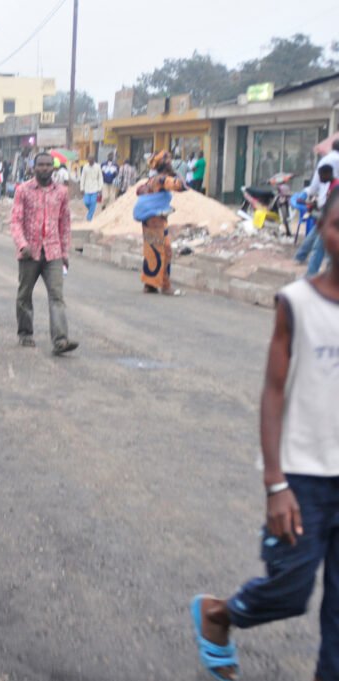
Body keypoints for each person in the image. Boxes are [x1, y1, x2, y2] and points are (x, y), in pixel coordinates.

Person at [190, 188, 339, 681]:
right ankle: (219, 614)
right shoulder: (296, 303)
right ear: (320, 229)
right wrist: (275, 483)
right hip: (303, 479)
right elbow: (274, 392)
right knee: (290, 591)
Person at [9, 152, 79, 355]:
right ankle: (25, 333)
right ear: (34, 167)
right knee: (24, 295)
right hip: (29, 253)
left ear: (54, 168)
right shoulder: (23, 190)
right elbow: (15, 221)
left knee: (57, 296)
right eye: (41, 165)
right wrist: (22, 245)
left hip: (53, 251)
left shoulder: (62, 192)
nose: (45, 168)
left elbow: (64, 223)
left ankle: (60, 340)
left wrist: (65, 251)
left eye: (48, 165)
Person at [133, 150, 186, 296]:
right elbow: (181, 186)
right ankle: (165, 285)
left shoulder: (152, 180)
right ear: (165, 165)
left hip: (148, 220)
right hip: (156, 221)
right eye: (169, 161)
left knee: (151, 251)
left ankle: (150, 284)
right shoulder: (162, 179)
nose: (171, 163)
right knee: (165, 251)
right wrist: (177, 174)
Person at [80, 155, 102, 221]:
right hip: (87, 188)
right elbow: (82, 178)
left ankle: (89, 218)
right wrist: (82, 188)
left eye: (91, 159)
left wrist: (100, 188)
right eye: (89, 159)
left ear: (93, 160)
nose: (90, 161)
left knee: (93, 202)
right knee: (86, 202)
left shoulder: (98, 167)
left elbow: (100, 177)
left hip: (95, 188)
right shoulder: (85, 167)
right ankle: (91, 211)